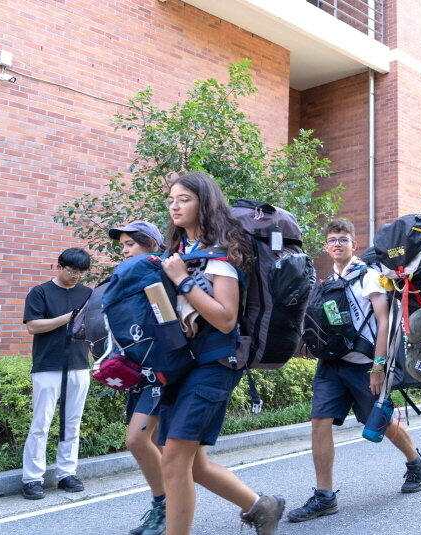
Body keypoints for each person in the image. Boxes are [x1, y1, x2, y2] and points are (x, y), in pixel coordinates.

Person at [157, 173, 283, 535]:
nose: (174, 206)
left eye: (184, 199)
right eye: (171, 199)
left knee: (173, 459)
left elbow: (226, 319)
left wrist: (182, 280)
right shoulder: (180, 255)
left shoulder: (221, 254)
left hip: (214, 362)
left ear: (204, 203)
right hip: (182, 362)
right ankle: (262, 506)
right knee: (192, 465)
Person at [287, 219, 421, 523]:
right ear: (326, 246)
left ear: (354, 245)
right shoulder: (325, 283)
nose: (337, 243)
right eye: (332, 239)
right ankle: (324, 495)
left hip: (365, 366)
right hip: (332, 366)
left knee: (382, 422)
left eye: (343, 239)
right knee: (319, 422)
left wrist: (378, 366)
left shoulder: (370, 277)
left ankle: (415, 461)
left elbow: (383, 322)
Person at [108, 221, 169, 535]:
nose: (125, 250)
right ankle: (167, 504)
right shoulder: (130, 284)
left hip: (161, 374)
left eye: (130, 243)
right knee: (162, 450)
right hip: (140, 375)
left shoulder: (157, 275)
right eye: (123, 246)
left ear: (150, 244)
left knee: (136, 440)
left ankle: (164, 505)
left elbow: (169, 323)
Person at [21, 248, 93, 500]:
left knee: (72, 423)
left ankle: (66, 474)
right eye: (72, 271)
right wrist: (69, 317)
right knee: (41, 424)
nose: (76, 277)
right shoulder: (40, 292)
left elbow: (93, 326)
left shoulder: (88, 294)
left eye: (82, 272)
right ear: (59, 266)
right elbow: (32, 326)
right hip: (47, 366)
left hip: (79, 365)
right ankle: (32, 479)